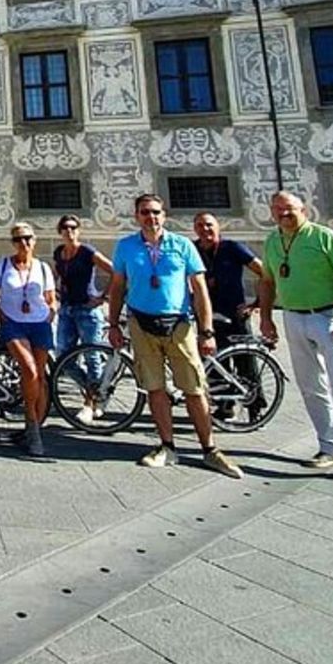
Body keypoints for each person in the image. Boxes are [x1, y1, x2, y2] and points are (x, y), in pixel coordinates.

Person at [108, 194, 242, 478]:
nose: (151, 217)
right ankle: (167, 446)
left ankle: (210, 449)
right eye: (145, 212)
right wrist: (113, 325)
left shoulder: (182, 245)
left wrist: (207, 331)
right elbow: (117, 286)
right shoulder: (126, 246)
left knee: (194, 388)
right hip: (141, 322)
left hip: (179, 324)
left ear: (164, 215)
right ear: (136, 216)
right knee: (154, 388)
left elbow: (200, 290)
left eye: (156, 212)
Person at [257, 191, 333, 486]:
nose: (283, 213)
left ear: (303, 209)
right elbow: (266, 281)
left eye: (289, 208)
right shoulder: (272, 241)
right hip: (294, 316)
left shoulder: (324, 237)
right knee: (310, 387)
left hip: (331, 317)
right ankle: (330, 447)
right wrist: (265, 318)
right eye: (277, 209)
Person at [0, 223, 56, 457]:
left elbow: (51, 298)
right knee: (29, 370)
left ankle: (35, 428)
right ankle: (31, 423)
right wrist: (3, 318)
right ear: (13, 243)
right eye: (18, 239)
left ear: (34, 240)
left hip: (39, 323)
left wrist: (50, 315)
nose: (23, 243)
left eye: (27, 238)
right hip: (13, 324)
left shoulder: (43, 268)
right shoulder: (2, 265)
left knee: (41, 377)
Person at [193, 212, 266, 420]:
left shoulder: (232, 247)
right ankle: (224, 405)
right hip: (207, 315)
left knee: (246, 361)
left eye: (209, 225)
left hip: (235, 314)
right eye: (200, 225)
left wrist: (257, 303)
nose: (205, 229)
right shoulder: (193, 249)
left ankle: (255, 407)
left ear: (218, 226)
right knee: (214, 361)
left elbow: (264, 272)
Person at [53, 214, 113, 425]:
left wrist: (103, 297)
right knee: (63, 358)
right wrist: (55, 291)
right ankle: (96, 390)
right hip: (67, 309)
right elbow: (57, 273)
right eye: (65, 228)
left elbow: (115, 271)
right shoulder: (59, 252)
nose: (69, 231)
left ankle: (90, 402)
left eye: (73, 227)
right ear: (60, 232)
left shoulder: (87, 251)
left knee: (91, 357)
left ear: (78, 231)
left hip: (87, 310)